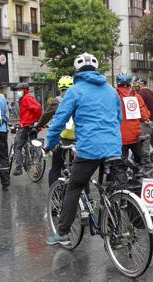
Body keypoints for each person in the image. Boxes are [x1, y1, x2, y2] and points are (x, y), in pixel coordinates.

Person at [45, 52, 122, 245]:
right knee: (111, 190)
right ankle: (116, 235)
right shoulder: (112, 91)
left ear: (77, 70)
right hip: (113, 147)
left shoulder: (74, 91)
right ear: (96, 70)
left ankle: (62, 233)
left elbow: (59, 121)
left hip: (89, 149)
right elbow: (118, 119)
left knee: (75, 187)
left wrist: (50, 142)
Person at [36, 75, 75, 187]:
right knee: (78, 168)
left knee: (56, 167)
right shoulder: (79, 98)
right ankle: (88, 198)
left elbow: (46, 116)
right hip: (77, 138)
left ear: (59, 87)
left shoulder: (57, 100)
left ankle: (53, 194)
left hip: (62, 137)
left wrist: (38, 125)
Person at [116, 73, 150, 165]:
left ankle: (120, 178)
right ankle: (139, 177)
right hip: (135, 135)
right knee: (140, 162)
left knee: (120, 164)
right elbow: (145, 116)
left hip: (119, 136)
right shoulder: (136, 96)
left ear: (117, 83)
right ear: (130, 83)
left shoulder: (114, 96)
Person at [12, 83, 42, 176]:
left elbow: (38, 108)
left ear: (24, 90)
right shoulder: (24, 98)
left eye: (19, 90)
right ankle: (35, 168)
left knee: (17, 145)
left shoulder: (27, 97)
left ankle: (18, 168)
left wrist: (37, 120)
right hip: (30, 125)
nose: (17, 92)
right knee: (31, 145)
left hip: (26, 125)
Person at [138, 79, 153, 154]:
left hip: (145, 122)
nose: (138, 85)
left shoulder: (140, 94)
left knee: (145, 145)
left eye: (139, 84)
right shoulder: (152, 93)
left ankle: (146, 164)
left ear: (142, 84)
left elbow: (140, 108)